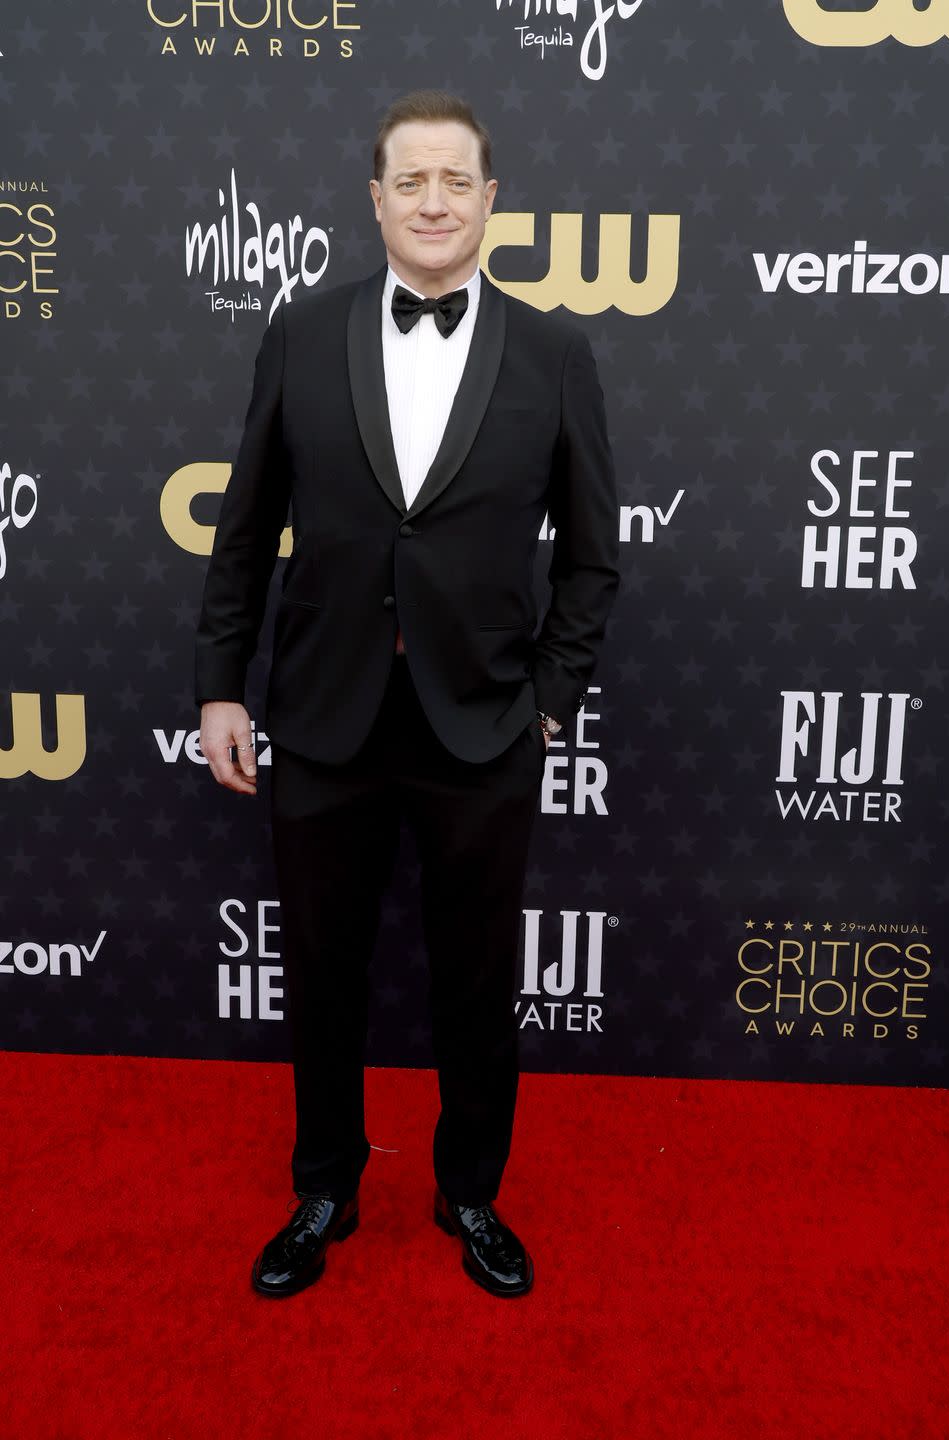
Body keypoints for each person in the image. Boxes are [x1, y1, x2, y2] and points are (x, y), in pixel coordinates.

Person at [195, 89, 620, 1300]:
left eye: (457, 182)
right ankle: (323, 1186)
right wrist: (221, 686)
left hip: (482, 723)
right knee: (322, 968)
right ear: (376, 199)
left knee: (478, 979)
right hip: (322, 711)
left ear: (492, 201)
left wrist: (546, 700)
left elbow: (593, 557)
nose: (434, 202)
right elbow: (243, 527)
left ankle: (470, 1191)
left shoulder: (555, 353)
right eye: (410, 182)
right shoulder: (301, 332)